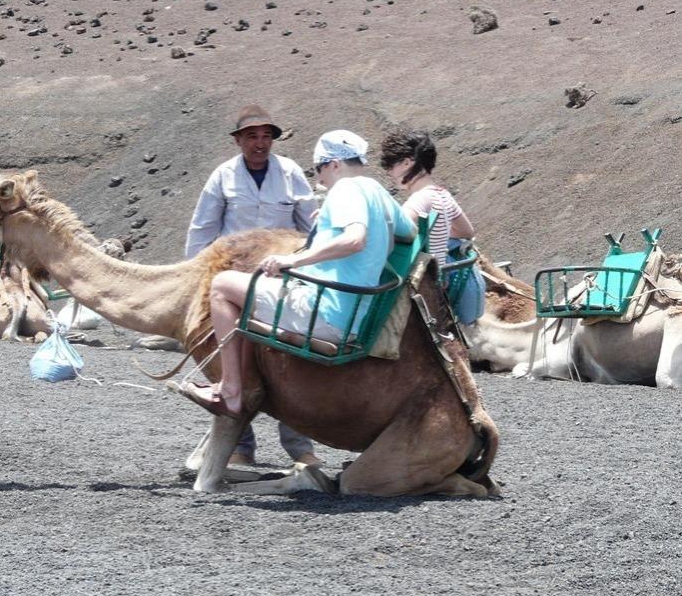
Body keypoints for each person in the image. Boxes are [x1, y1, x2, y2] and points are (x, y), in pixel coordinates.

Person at [179, 129, 418, 421]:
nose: (319, 180)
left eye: (319, 170)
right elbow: (411, 232)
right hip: (358, 315)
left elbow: (356, 239)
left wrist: (292, 260)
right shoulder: (377, 191)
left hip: (326, 313)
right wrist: (330, 222)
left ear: (334, 164)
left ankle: (230, 391)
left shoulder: (346, 189)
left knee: (222, 285)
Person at [185, 104, 320, 467]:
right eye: (252, 137)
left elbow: (310, 226)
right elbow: (203, 229)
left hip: (280, 281)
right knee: (230, 358)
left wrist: (310, 265)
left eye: (266, 136)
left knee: (290, 359)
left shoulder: (290, 173)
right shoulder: (223, 177)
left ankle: (300, 447)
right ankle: (241, 447)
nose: (260, 143)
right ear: (238, 140)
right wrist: (194, 278)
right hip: (230, 284)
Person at [379, 127, 485, 324]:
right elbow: (467, 231)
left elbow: (396, 233)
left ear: (406, 163)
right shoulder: (442, 194)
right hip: (443, 281)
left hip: (428, 286)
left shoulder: (419, 200)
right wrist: (439, 235)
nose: (389, 174)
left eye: (391, 167)